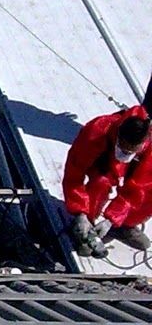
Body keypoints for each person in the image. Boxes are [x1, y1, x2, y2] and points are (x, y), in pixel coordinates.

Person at [62, 104, 152, 256]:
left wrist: (112, 219)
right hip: (105, 162)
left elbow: (138, 189)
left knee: (148, 196)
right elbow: (73, 174)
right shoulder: (97, 130)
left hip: (137, 166)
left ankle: (123, 227)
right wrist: (80, 213)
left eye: (131, 151)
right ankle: (86, 226)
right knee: (101, 182)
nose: (126, 153)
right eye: (123, 149)